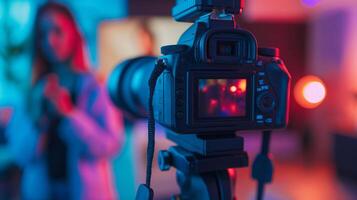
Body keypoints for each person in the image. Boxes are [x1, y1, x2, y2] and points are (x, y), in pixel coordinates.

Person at [8, 2, 124, 199]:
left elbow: (111, 145)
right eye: (42, 34)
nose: (50, 40)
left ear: (74, 33)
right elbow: (21, 154)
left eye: (57, 30)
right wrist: (38, 120)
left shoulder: (95, 86)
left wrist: (68, 114)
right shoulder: (31, 92)